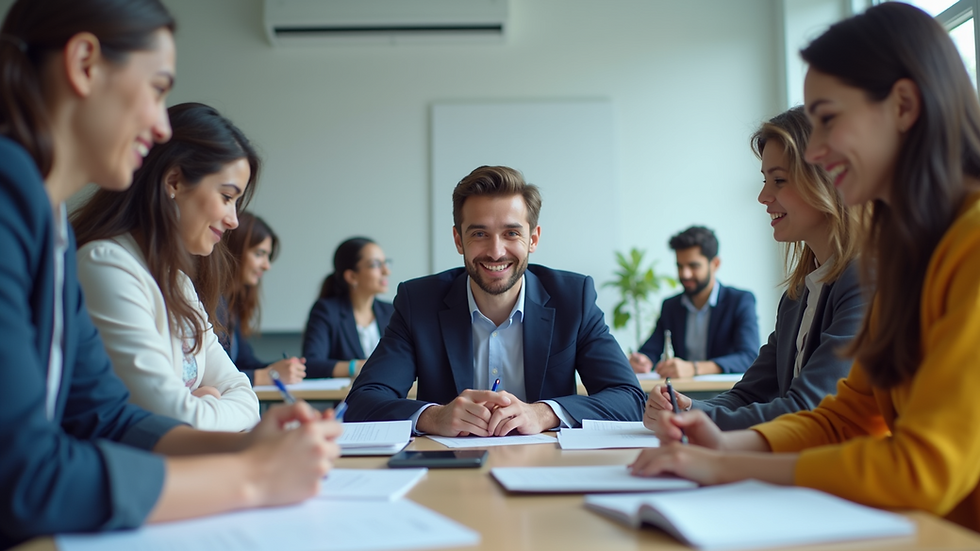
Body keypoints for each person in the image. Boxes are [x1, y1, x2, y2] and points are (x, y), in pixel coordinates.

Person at [0, 0, 340, 548]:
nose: (161, 125)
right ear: (84, 63)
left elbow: (107, 417)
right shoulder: (14, 197)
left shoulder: (50, 223)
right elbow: (23, 475)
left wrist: (246, 448)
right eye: (157, 89)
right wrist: (251, 478)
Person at [631, 2, 980, 532]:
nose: (815, 149)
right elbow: (845, 418)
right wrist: (723, 442)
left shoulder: (969, 246)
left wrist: (725, 463)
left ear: (904, 106)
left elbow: (923, 469)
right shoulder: (913, 256)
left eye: (828, 120)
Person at [344, 165, 645, 435]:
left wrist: (544, 413)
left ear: (533, 239)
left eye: (511, 233)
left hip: (547, 466)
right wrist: (434, 417)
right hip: (448, 475)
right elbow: (361, 402)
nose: (496, 251)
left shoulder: (573, 298)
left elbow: (629, 398)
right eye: (479, 234)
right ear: (458, 240)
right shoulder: (418, 302)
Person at [643, 107, 866, 431]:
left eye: (779, 180)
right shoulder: (798, 293)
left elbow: (806, 407)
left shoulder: (864, 281)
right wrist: (688, 408)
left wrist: (690, 420)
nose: (763, 196)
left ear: (825, 181)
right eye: (765, 181)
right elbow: (749, 393)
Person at [73, 102, 260, 432]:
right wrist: (209, 403)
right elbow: (176, 420)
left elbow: (246, 397)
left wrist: (206, 404)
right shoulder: (106, 267)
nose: (233, 220)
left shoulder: (180, 284)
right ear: (173, 181)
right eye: (227, 197)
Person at [629, 226, 760, 378]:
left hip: (726, 395)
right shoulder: (671, 306)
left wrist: (694, 368)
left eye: (693, 266)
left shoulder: (739, 301)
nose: (685, 274)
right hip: (680, 395)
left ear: (715, 264)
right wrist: (642, 361)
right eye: (680, 266)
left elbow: (748, 357)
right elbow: (650, 350)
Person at [220, 211, 306, 385]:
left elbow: (243, 363)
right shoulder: (207, 303)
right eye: (259, 254)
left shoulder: (231, 303)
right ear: (232, 250)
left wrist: (282, 368)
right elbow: (212, 377)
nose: (267, 266)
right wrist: (267, 375)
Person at [301, 237, 394, 378]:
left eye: (385, 263)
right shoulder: (327, 310)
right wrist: (358, 367)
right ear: (351, 276)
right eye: (376, 264)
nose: (386, 271)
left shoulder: (391, 312)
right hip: (349, 398)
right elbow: (311, 364)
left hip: (393, 397)